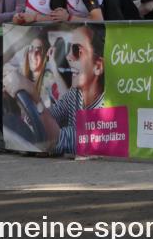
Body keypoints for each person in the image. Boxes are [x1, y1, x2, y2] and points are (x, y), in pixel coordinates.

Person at [40, 25, 106, 157]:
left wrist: (32, 96)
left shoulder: (106, 105)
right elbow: (50, 116)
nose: (69, 57)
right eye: (69, 50)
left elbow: (66, 139)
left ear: (98, 66)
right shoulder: (74, 94)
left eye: (77, 50)